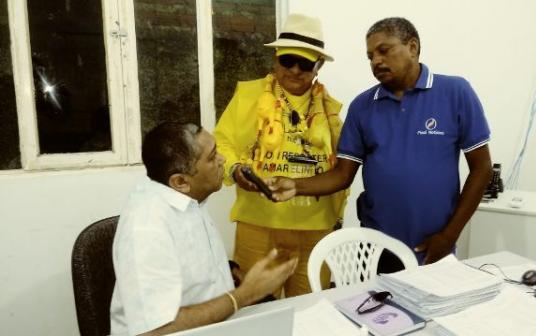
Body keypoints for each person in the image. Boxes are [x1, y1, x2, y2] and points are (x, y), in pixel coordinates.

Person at [268, 17, 492, 269]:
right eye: (370, 56)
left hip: (434, 245)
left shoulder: (455, 93)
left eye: (384, 51)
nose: (376, 61)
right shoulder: (363, 106)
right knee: (377, 308)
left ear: (413, 47)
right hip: (376, 245)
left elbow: (482, 169)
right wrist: (295, 186)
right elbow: (342, 175)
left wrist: (449, 235)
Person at [109, 122, 297, 336]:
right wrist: (246, 293)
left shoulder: (187, 197)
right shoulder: (146, 227)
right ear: (180, 181)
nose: (223, 160)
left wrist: (237, 273)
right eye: (212, 157)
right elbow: (154, 331)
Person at [213, 13, 348, 297]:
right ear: (276, 59)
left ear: (318, 67)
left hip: (315, 227)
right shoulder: (248, 96)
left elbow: (342, 167)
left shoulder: (330, 110)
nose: (296, 70)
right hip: (259, 225)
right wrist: (236, 170)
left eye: (306, 63)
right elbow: (221, 143)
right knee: (254, 308)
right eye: (288, 60)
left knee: (310, 308)